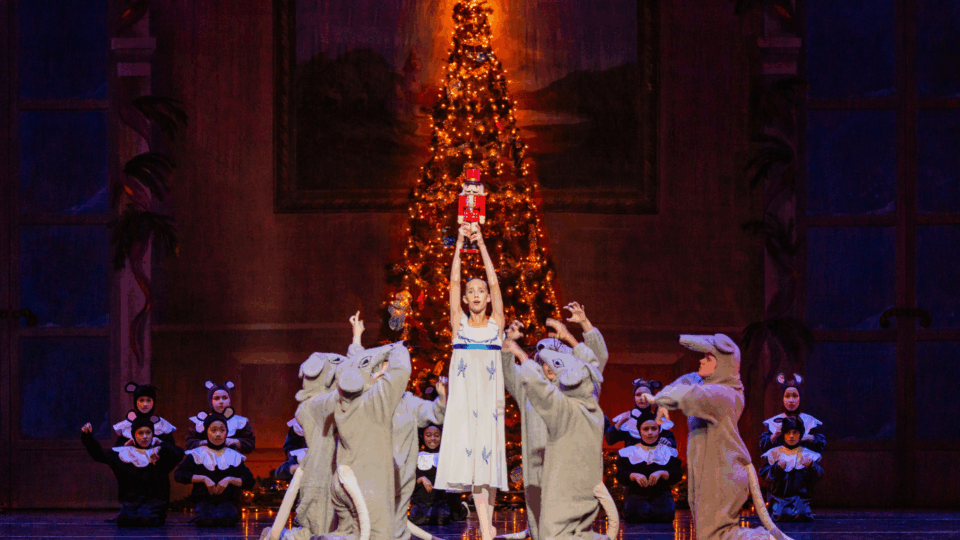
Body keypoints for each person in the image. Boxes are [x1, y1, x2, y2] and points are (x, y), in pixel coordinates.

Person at [641, 334, 778, 540]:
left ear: (722, 364)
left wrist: (658, 398)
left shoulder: (723, 395)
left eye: (708, 358)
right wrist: (663, 403)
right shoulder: (711, 384)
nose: (701, 361)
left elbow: (690, 395)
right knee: (708, 536)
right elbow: (688, 380)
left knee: (718, 535)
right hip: (709, 473)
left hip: (722, 473)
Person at [435, 222, 507, 540]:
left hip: (489, 404)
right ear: (465, 299)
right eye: (471, 291)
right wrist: (460, 245)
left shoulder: (496, 325)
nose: (477, 295)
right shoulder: (459, 326)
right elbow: (452, 284)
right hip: (465, 405)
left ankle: (486, 526)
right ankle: (485, 527)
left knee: (488, 468)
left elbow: (495, 283)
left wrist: (482, 246)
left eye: (481, 292)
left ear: (487, 298)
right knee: (475, 467)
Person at [82, 411, 184, 526]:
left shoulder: (159, 454)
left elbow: (179, 453)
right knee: (125, 519)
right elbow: (100, 455)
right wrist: (88, 438)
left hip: (154, 503)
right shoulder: (126, 453)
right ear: (134, 435)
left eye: (148, 432)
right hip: (132, 503)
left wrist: (159, 445)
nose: (145, 437)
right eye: (140, 433)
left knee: (145, 519)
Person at [174, 408, 255, 527]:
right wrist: (203, 478)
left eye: (222, 430)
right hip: (204, 502)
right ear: (206, 432)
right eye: (213, 430)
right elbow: (179, 475)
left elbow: (250, 481)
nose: (218, 434)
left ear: (226, 433)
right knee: (206, 521)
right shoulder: (198, 454)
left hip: (228, 502)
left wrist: (229, 479)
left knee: (226, 519)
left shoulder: (233, 456)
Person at [615, 411, 682, 523]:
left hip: (661, 495)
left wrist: (662, 473)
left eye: (654, 429)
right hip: (636, 495)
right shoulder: (630, 452)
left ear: (659, 430)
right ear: (639, 431)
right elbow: (620, 474)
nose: (650, 433)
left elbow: (677, 473)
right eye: (645, 429)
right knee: (636, 515)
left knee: (664, 515)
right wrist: (633, 475)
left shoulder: (667, 451)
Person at [758, 416, 823, 522]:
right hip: (779, 499)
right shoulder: (775, 453)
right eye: (788, 433)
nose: (791, 436)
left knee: (802, 515)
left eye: (795, 432)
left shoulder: (807, 454)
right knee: (781, 515)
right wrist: (777, 467)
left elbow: (818, 475)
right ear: (783, 434)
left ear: (800, 434)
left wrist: (811, 466)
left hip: (800, 499)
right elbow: (766, 475)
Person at [410, 423, 467, 525]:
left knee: (444, 520)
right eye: (428, 435)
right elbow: (411, 477)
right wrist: (422, 478)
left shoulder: (447, 456)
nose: (433, 439)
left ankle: (462, 508)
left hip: (443, 499)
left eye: (437, 435)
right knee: (421, 520)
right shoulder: (417, 456)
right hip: (423, 499)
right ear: (423, 436)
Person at [760, 374, 825, 453]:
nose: (791, 400)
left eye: (795, 396)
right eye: (787, 396)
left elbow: (821, 445)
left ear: (800, 397)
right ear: (782, 398)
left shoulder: (809, 421)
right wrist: (774, 436)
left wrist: (809, 437)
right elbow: (762, 447)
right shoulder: (773, 422)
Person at [186, 381, 255, 454]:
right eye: (216, 398)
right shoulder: (200, 421)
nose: (221, 401)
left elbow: (250, 443)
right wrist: (205, 442)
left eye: (224, 398)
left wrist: (235, 442)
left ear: (229, 400)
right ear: (210, 401)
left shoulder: (240, 422)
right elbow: (189, 443)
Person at [607, 378, 676, 449]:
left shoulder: (658, 418)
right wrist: (618, 425)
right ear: (634, 397)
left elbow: (669, 438)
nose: (642, 398)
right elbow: (610, 441)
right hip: (631, 458)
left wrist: (668, 442)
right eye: (638, 395)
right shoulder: (627, 418)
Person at [113, 382, 176, 447]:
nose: (145, 404)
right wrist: (127, 444)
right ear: (135, 402)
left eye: (148, 400)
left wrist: (159, 443)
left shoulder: (161, 424)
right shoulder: (128, 424)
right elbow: (117, 448)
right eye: (141, 400)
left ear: (153, 402)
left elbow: (172, 448)